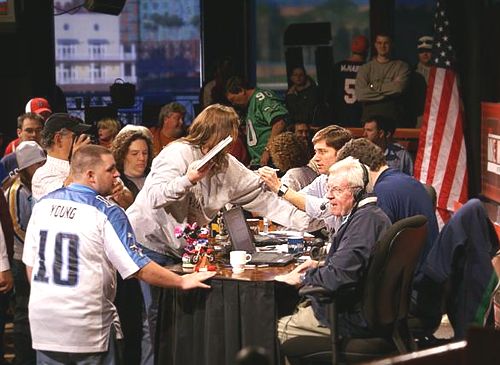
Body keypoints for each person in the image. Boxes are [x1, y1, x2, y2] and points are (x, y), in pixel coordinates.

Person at [126, 104, 313, 362]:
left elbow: (264, 199)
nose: (233, 141)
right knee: (154, 320)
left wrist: (310, 222)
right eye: (231, 133)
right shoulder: (177, 154)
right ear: (215, 133)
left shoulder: (227, 165)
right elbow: (154, 197)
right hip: (148, 245)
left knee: (175, 320)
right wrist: (189, 179)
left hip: (179, 250)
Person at [22, 145, 215, 364]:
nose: (117, 174)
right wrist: (181, 281)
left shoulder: (43, 205)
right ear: (90, 176)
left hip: (44, 323)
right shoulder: (106, 211)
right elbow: (139, 267)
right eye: (110, 169)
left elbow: (30, 267)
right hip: (87, 325)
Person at [276, 157, 391, 357]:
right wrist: (320, 264)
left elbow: (339, 277)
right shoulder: (370, 216)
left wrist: (303, 278)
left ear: (356, 191)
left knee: (270, 328)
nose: (328, 196)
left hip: (348, 318)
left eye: (336, 190)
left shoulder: (364, 223)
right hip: (363, 310)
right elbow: (355, 264)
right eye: (328, 189)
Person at [336, 138, 438, 278]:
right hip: (421, 278)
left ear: (360, 168)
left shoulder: (381, 192)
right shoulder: (406, 181)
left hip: (406, 284)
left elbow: (369, 252)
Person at [258, 125, 352, 232]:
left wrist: (279, 187)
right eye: (316, 152)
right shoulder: (323, 179)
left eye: (322, 152)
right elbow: (298, 199)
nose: (316, 158)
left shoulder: (351, 180)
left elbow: (322, 208)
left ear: (341, 153)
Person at [4, 141, 46, 365]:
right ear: (26, 167)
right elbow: (17, 226)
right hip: (22, 260)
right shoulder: (17, 190)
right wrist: (38, 247)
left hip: (38, 258)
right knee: (23, 311)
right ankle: (23, 359)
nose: (41, 167)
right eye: (37, 164)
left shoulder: (37, 187)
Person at [226, 76, 288, 166]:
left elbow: (279, 123)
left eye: (233, 99)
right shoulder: (249, 106)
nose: (233, 104)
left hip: (272, 159)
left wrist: (267, 150)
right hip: (259, 160)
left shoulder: (262, 99)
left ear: (241, 91)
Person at [31, 113, 92, 201]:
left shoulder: (85, 165)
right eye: (76, 136)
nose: (83, 140)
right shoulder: (42, 175)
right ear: (58, 139)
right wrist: (75, 160)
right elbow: (65, 196)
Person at [355, 33, 410, 126]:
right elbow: (360, 95)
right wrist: (389, 89)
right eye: (379, 43)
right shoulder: (365, 68)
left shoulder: (401, 66)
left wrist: (372, 86)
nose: (382, 46)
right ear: (375, 45)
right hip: (369, 122)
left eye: (386, 43)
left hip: (393, 120)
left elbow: (398, 89)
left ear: (392, 44)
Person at [331, 35, 369, 126]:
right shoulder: (368, 68)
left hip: (341, 113)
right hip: (361, 113)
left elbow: (331, 93)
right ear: (367, 51)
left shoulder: (338, 67)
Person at [111, 130, 153, 199]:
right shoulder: (116, 183)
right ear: (123, 155)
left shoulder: (156, 176)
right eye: (135, 154)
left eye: (145, 153)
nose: (142, 158)